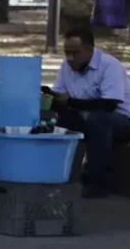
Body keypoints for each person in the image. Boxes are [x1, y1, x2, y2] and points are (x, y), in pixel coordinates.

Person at [43, 26, 130, 198]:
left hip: (121, 120)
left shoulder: (110, 66)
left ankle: (98, 181)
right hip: (85, 116)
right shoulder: (67, 66)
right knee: (58, 119)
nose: (70, 58)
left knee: (98, 121)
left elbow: (109, 105)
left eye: (75, 53)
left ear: (90, 50)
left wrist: (70, 102)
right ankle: (59, 173)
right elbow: (60, 96)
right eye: (66, 52)